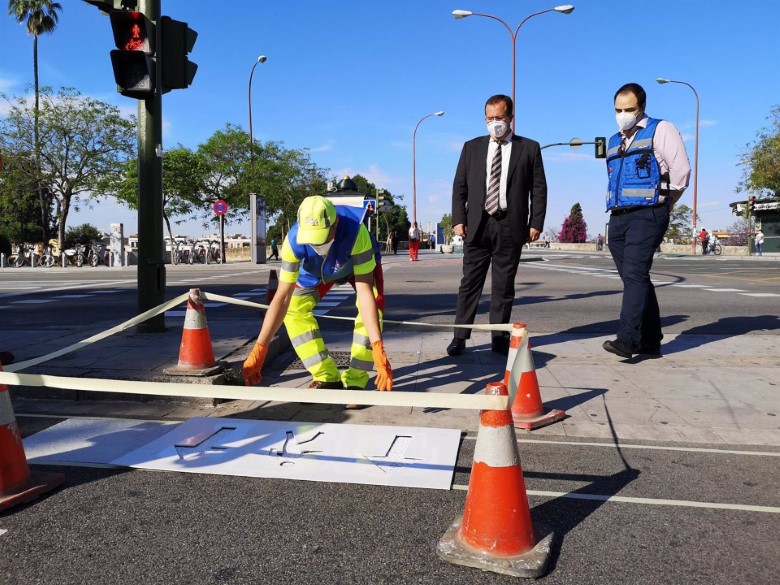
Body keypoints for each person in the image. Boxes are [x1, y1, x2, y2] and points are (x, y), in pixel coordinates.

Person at [243, 195, 393, 407]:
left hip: (355, 267)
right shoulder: (293, 240)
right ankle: (326, 375)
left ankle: (356, 381)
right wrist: (260, 349)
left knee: (371, 309)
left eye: (321, 235)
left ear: (335, 224)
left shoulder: (357, 233)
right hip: (316, 271)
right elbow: (282, 297)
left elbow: (365, 292)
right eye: (311, 237)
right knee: (294, 307)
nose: (317, 242)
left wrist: (378, 348)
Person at [447, 94, 547, 357]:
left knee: (503, 286)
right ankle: (460, 336)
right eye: (489, 119)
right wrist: (458, 219)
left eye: (499, 118)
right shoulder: (472, 147)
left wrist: (535, 222)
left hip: (510, 225)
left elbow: (539, 188)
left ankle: (499, 338)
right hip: (476, 225)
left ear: (511, 118)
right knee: (470, 283)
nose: (494, 123)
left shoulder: (529, 148)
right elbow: (460, 187)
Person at [602, 83, 691, 359]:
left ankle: (628, 339)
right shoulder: (614, 140)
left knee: (634, 275)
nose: (623, 114)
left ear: (641, 107)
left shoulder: (661, 129)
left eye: (628, 109)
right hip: (617, 218)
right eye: (618, 109)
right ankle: (651, 341)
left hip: (648, 214)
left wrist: (668, 203)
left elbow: (681, 170)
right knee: (635, 279)